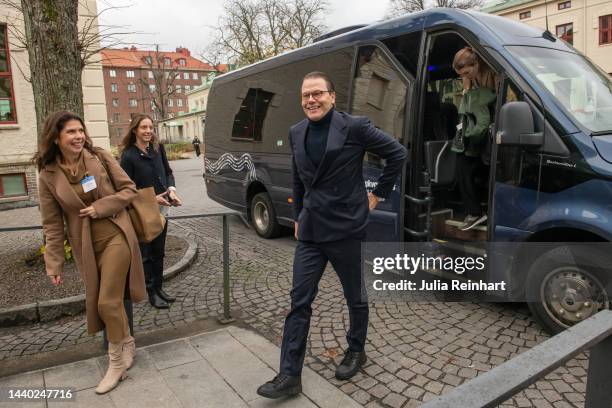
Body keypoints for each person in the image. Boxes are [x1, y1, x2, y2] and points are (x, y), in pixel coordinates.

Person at [257, 72, 407, 399]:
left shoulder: (354, 126)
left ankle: (356, 350)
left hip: (345, 226)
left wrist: (377, 195)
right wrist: (298, 216)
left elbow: (397, 153)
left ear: (332, 96)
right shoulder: (296, 132)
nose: (311, 100)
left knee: (355, 295)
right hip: (311, 229)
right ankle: (289, 374)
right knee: (299, 301)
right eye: (305, 95)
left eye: (317, 93)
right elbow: (298, 178)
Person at [36, 111, 146, 394]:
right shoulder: (47, 174)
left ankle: (116, 363)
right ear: (56, 138)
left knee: (107, 302)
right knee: (110, 301)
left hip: (116, 234)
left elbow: (128, 190)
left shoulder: (99, 156)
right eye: (71, 132)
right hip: (85, 245)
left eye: (80, 130)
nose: (78, 136)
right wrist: (54, 262)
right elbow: (51, 223)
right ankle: (128, 342)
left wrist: (101, 207)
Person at [119, 114, 182, 309]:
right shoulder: (128, 156)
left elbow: (168, 172)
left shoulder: (157, 148)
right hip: (144, 211)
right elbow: (125, 190)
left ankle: (159, 288)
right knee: (147, 254)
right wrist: (151, 199)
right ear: (135, 130)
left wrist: (172, 190)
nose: (148, 131)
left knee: (160, 252)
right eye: (143, 127)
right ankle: (151, 293)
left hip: (163, 209)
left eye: (150, 127)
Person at [451, 47, 497, 231]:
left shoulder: (494, 75)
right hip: (480, 129)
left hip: (490, 130)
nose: (466, 77)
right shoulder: (470, 80)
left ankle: (475, 212)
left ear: (477, 64)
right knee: (464, 160)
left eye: (468, 72)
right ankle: (476, 210)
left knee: (464, 163)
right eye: (462, 74)